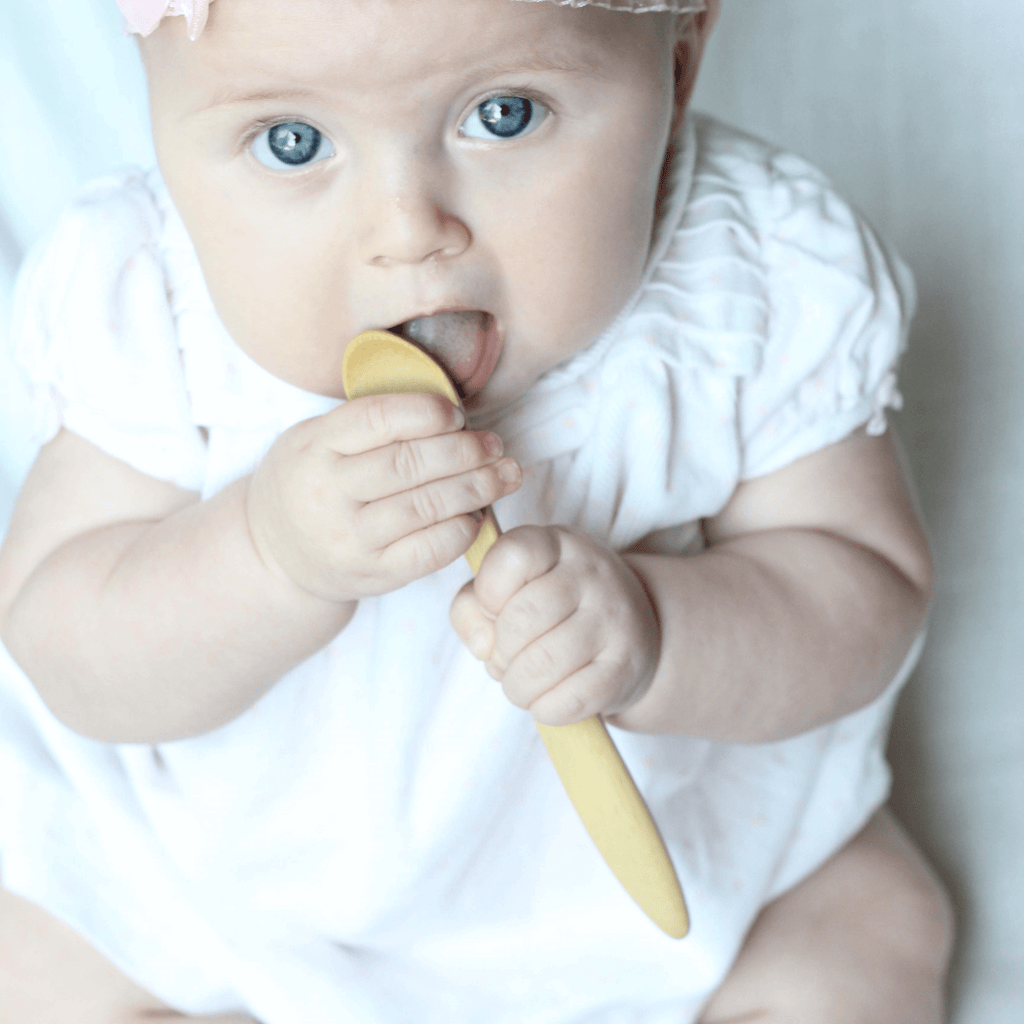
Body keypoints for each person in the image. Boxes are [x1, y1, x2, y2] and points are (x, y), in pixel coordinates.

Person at [0, 0, 953, 1020]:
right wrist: (264, 558)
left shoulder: (752, 277)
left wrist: (661, 630)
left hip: (693, 860)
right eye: (293, 142)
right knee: (39, 958)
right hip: (215, 878)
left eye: (504, 116)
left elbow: (865, 590)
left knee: (872, 929)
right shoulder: (152, 303)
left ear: (677, 66)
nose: (407, 231)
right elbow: (65, 639)